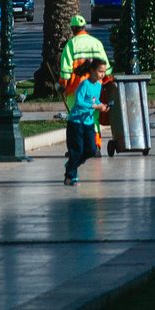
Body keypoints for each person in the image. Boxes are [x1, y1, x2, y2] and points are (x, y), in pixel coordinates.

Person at [63, 57, 108, 185]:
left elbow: (96, 100)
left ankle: (71, 164)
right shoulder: (84, 85)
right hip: (76, 123)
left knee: (91, 150)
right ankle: (70, 176)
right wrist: (94, 107)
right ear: (92, 71)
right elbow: (79, 102)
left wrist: (102, 106)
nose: (102, 74)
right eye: (100, 71)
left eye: (104, 71)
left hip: (88, 123)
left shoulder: (98, 86)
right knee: (76, 150)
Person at [58, 14, 109, 86]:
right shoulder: (97, 42)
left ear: (73, 29)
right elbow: (106, 66)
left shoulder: (71, 44)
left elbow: (66, 69)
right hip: (95, 86)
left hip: (76, 86)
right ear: (84, 27)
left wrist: (63, 82)